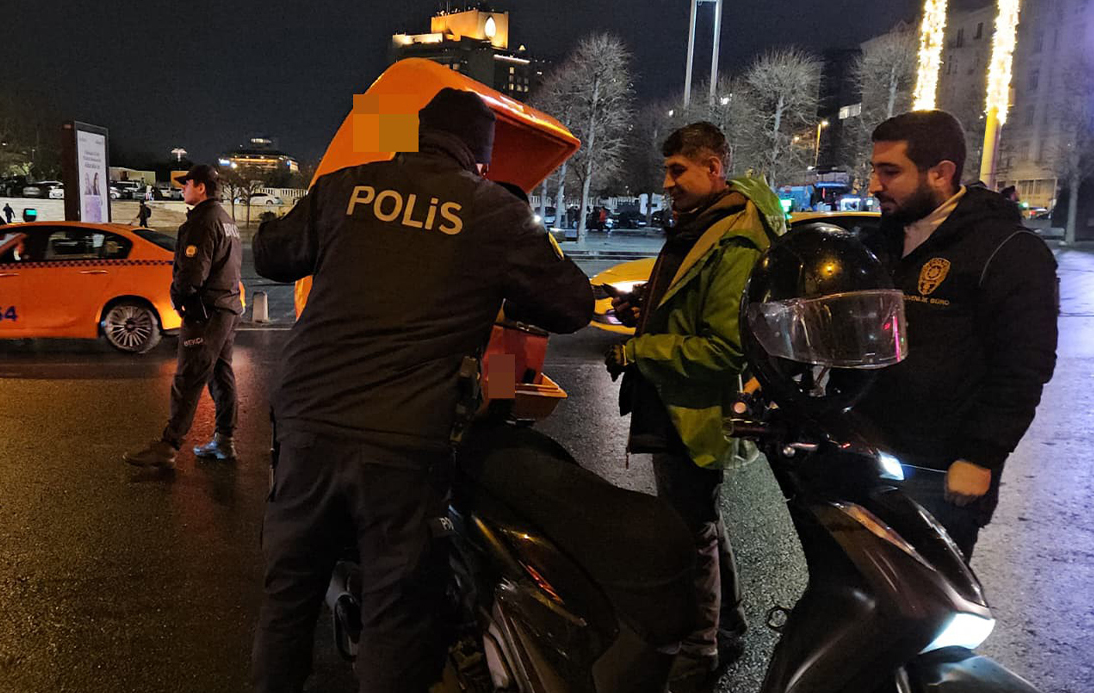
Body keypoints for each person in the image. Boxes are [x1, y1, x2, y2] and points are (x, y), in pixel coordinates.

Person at [250, 87, 593, 693]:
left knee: (289, 587)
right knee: (397, 604)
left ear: (412, 137)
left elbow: (273, 256)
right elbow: (571, 305)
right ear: (480, 159)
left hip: (308, 418)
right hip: (403, 438)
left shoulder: (346, 187)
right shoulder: (493, 211)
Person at [605, 121, 782, 683]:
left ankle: (698, 650)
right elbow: (688, 305)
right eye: (666, 170)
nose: (667, 182)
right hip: (675, 398)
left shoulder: (735, 236)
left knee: (689, 530)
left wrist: (639, 351)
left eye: (678, 170)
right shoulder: (704, 224)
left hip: (693, 405)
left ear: (713, 167)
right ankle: (725, 627)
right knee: (700, 518)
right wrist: (643, 310)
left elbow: (725, 347)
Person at [854, 110, 1059, 561]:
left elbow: (1023, 367)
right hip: (867, 454)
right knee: (865, 597)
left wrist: (980, 456)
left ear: (941, 173)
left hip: (942, 473)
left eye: (890, 172)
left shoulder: (1008, 252)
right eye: (875, 170)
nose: (873, 185)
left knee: (928, 609)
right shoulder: (880, 243)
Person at [123, 163, 244, 470]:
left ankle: (169, 445)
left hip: (205, 312)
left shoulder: (202, 222)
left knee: (188, 378)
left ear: (201, 186)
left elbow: (192, 274)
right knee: (220, 374)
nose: (182, 188)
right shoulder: (226, 219)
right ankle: (224, 441)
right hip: (226, 308)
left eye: (186, 183)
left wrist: (181, 300)